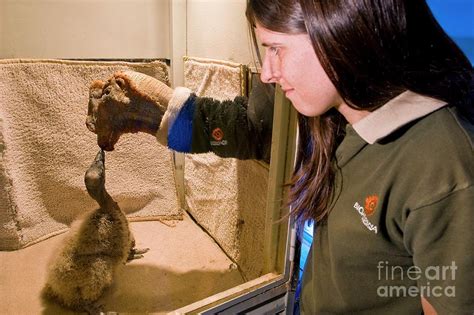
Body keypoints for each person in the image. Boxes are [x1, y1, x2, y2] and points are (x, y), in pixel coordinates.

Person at [86, 0, 474, 313]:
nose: (267, 73)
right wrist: (161, 113)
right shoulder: (338, 112)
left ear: (344, 33)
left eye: (276, 48)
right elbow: (255, 127)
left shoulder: (446, 167)